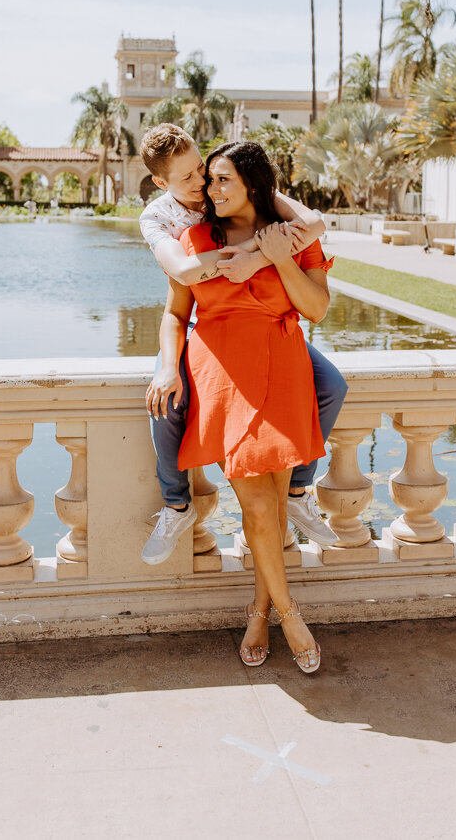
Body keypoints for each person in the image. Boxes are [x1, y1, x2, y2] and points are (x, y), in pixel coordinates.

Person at [148, 141, 330, 672]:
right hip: (223, 373)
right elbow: (175, 314)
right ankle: (290, 615)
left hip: (285, 367)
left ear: (253, 184)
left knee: (272, 508)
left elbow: (315, 307)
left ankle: (257, 611)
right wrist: (166, 366)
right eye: (209, 180)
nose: (210, 189)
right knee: (255, 504)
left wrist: (278, 259)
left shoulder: (290, 235)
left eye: (223, 180)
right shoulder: (193, 238)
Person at [138, 124, 347, 565]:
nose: (202, 186)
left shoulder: (237, 187)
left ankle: (297, 489)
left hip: (261, 325)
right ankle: (177, 505)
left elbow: (313, 224)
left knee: (331, 386)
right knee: (167, 402)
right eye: (189, 179)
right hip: (202, 324)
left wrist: (258, 255)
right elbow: (183, 275)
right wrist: (167, 366)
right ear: (161, 184)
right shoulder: (159, 218)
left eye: (202, 169)